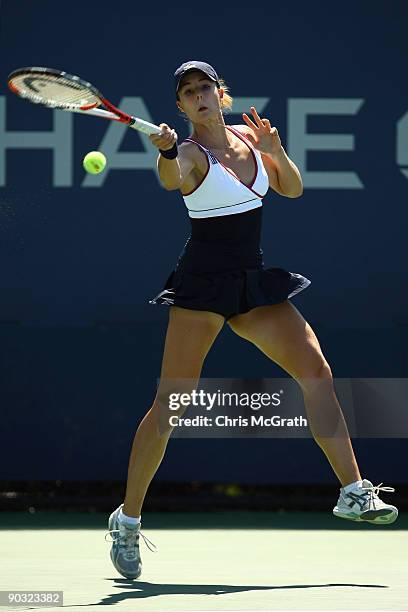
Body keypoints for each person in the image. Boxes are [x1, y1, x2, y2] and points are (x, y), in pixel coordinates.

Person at [105, 61, 398, 580]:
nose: (199, 97)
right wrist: (168, 152)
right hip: (202, 287)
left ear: (223, 95)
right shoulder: (190, 152)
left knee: (317, 372)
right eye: (188, 92)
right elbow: (172, 180)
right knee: (171, 406)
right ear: (179, 106)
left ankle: (353, 491)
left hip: (252, 283)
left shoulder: (249, 137)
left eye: (205, 88)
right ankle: (127, 519)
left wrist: (276, 150)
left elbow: (292, 189)